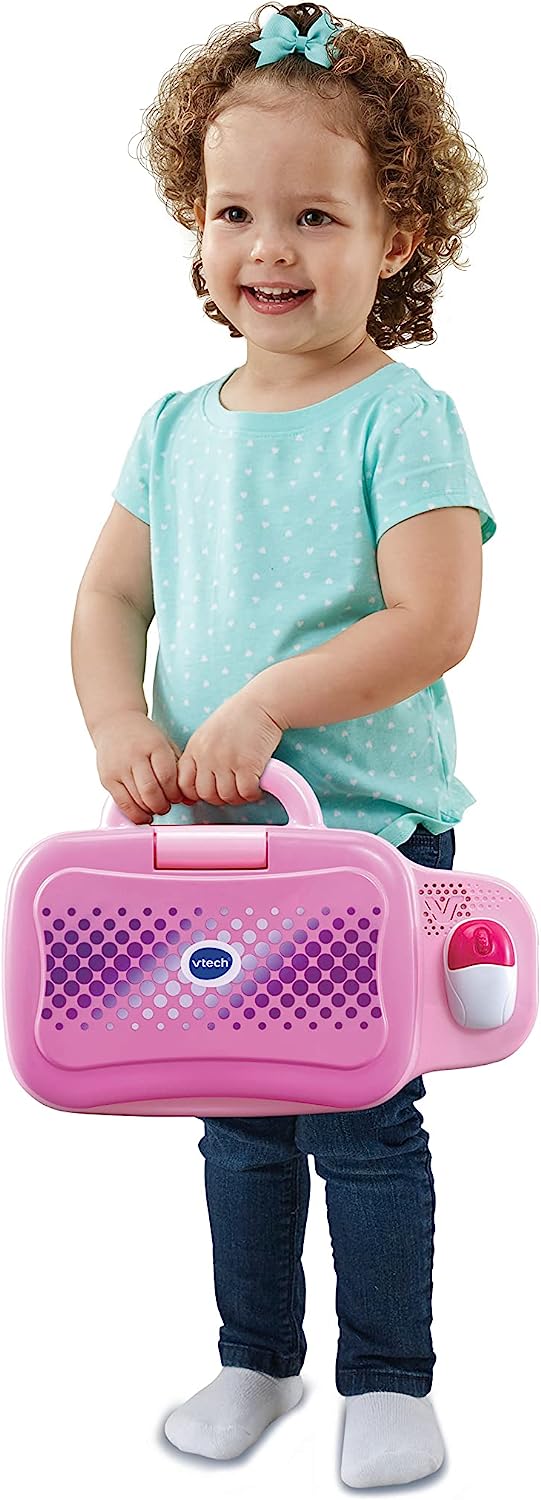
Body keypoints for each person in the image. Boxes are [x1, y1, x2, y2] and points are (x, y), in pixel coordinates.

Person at [71, 4, 497, 1486]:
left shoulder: (401, 416)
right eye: (234, 211)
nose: (268, 248)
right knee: (240, 1126)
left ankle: (389, 1379)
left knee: (363, 1124)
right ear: (194, 224)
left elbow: (436, 618)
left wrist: (268, 703)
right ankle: (255, 1356)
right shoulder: (172, 426)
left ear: (398, 236)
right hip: (212, 846)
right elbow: (110, 599)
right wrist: (122, 722)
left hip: (364, 837)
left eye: (315, 215)